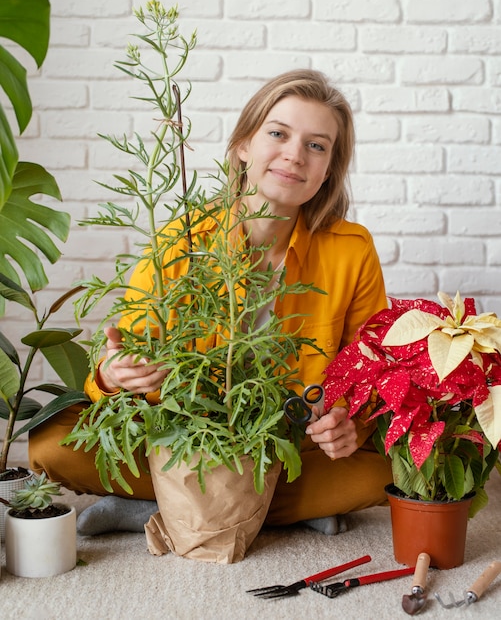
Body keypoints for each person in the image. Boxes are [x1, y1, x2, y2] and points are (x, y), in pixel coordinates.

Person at [29, 69, 393, 535]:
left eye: (316, 145)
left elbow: (370, 372)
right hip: (185, 439)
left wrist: (346, 424)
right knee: (49, 444)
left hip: (285, 444)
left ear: (328, 171)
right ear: (243, 145)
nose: (294, 155)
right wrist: (113, 374)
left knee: (386, 470)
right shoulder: (181, 241)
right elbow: (124, 370)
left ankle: (164, 509)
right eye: (278, 133)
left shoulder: (352, 248)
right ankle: (262, 510)